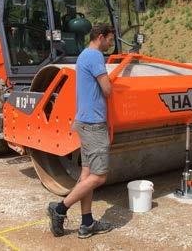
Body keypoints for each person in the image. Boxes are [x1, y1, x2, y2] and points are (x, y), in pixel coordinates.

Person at [47, 24, 115, 239]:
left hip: (85, 122)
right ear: (101, 37)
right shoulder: (95, 56)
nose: (111, 44)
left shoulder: (83, 55)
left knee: (86, 175)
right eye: (110, 39)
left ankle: (87, 223)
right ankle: (59, 209)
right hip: (94, 124)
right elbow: (107, 90)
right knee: (99, 176)